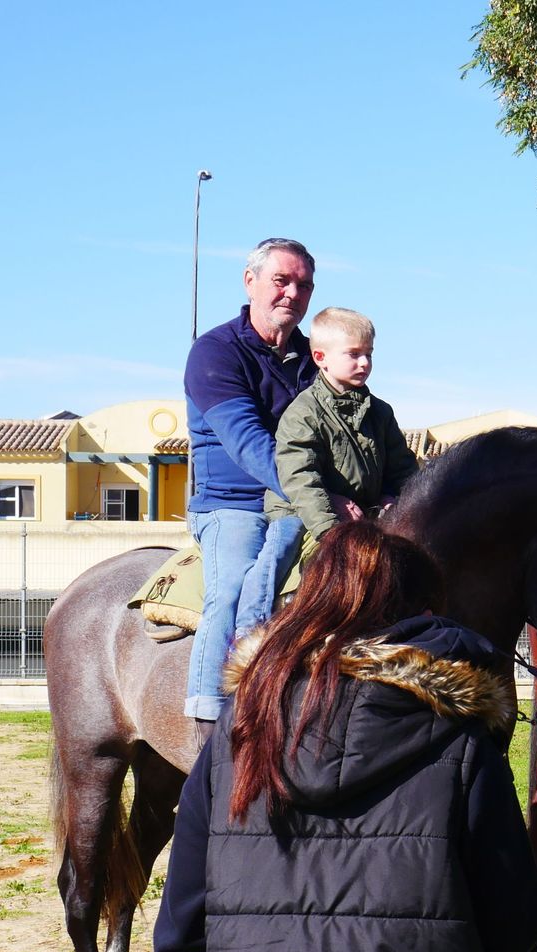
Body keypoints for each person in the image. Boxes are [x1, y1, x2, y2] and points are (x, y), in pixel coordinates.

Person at [154, 521, 537, 952]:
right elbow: (516, 924)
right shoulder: (462, 739)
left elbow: (179, 935)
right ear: (423, 618)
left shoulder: (234, 741)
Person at [183, 237, 318, 728]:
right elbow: (248, 444)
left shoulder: (316, 359)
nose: (292, 293)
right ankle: (208, 712)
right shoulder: (214, 353)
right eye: (281, 280)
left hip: (299, 504)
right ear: (251, 281)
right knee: (234, 583)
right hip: (232, 504)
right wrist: (320, 493)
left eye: (303, 285)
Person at [239, 306, 419, 625]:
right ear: (321, 358)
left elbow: (402, 467)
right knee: (277, 554)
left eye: (369, 354)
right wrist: (329, 531)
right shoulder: (303, 413)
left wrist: (395, 497)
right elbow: (301, 478)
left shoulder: (381, 412)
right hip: (298, 510)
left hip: (363, 512)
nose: (364, 363)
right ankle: (250, 625)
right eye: (353, 354)